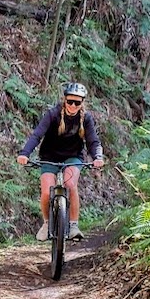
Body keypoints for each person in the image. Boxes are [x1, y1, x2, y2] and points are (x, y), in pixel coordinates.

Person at [16, 82, 104, 241]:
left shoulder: (86, 119)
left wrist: (98, 157)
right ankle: (46, 223)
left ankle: (73, 225)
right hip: (50, 156)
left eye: (77, 102)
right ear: (64, 100)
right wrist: (25, 153)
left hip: (73, 156)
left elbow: (93, 142)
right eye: (70, 101)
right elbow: (37, 135)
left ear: (82, 103)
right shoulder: (53, 114)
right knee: (45, 191)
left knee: (70, 185)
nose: (73, 105)